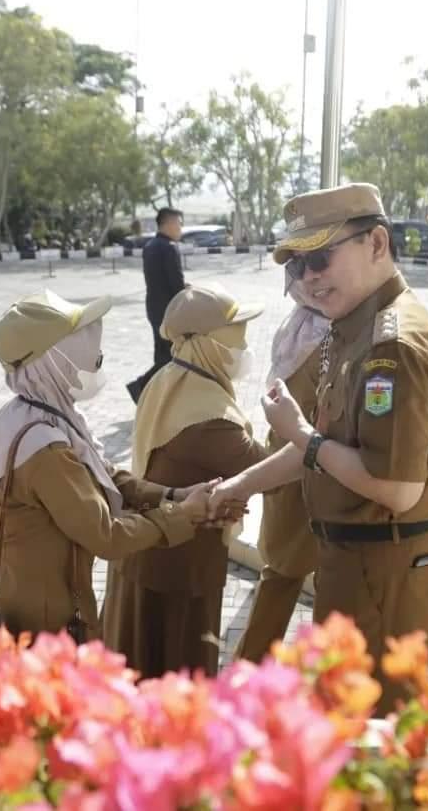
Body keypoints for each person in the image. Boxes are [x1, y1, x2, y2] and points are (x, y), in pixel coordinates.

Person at [209, 183, 428, 716]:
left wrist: (301, 433)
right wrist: (240, 485)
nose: (309, 278)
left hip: (386, 569)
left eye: (321, 257)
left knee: (368, 739)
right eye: (297, 266)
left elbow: (396, 488)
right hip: (352, 562)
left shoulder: (392, 345)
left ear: (377, 243)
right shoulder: (351, 329)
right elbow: (326, 446)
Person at [0, 290, 221, 641]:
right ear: (51, 360)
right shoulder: (44, 447)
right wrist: (185, 515)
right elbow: (106, 536)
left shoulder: (34, 413)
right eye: (77, 346)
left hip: (24, 595)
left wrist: (174, 495)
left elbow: (102, 473)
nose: (92, 356)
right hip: (43, 623)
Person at [102, 284, 266, 677]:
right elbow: (265, 467)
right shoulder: (210, 417)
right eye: (235, 338)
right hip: (178, 569)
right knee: (175, 676)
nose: (244, 349)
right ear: (209, 344)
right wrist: (294, 427)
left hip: (147, 554)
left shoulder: (170, 376)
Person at [235, 281, 330, 663]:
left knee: (329, 582)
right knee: (281, 573)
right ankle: (249, 671)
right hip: (292, 466)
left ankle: (326, 681)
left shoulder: (337, 330)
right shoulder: (303, 326)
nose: (303, 280)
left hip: (327, 468)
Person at [126, 208, 186, 403]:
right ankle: (141, 388)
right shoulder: (169, 247)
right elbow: (176, 284)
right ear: (168, 224)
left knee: (163, 354)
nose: (181, 228)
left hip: (154, 308)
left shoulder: (150, 246)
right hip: (169, 311)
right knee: (171, 357)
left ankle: (154, 394)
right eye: (179, 223)